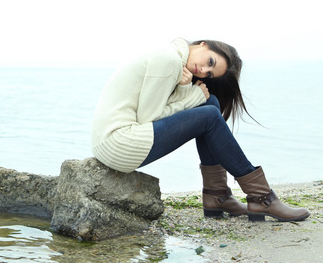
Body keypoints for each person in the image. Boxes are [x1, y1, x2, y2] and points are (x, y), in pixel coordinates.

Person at [91, 38, 309, 222]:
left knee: (210, 104)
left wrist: (187, 92)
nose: (204, 71)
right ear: (203, 45)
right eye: (210, 62)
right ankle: (262, 197)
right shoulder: (168, 60)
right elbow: (149, 117)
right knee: (209, 115)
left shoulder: (172, 59)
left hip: (119, 141)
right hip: (119, 143)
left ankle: (217, 196)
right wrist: (191, 96)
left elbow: (154, 108)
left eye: (210, 73)